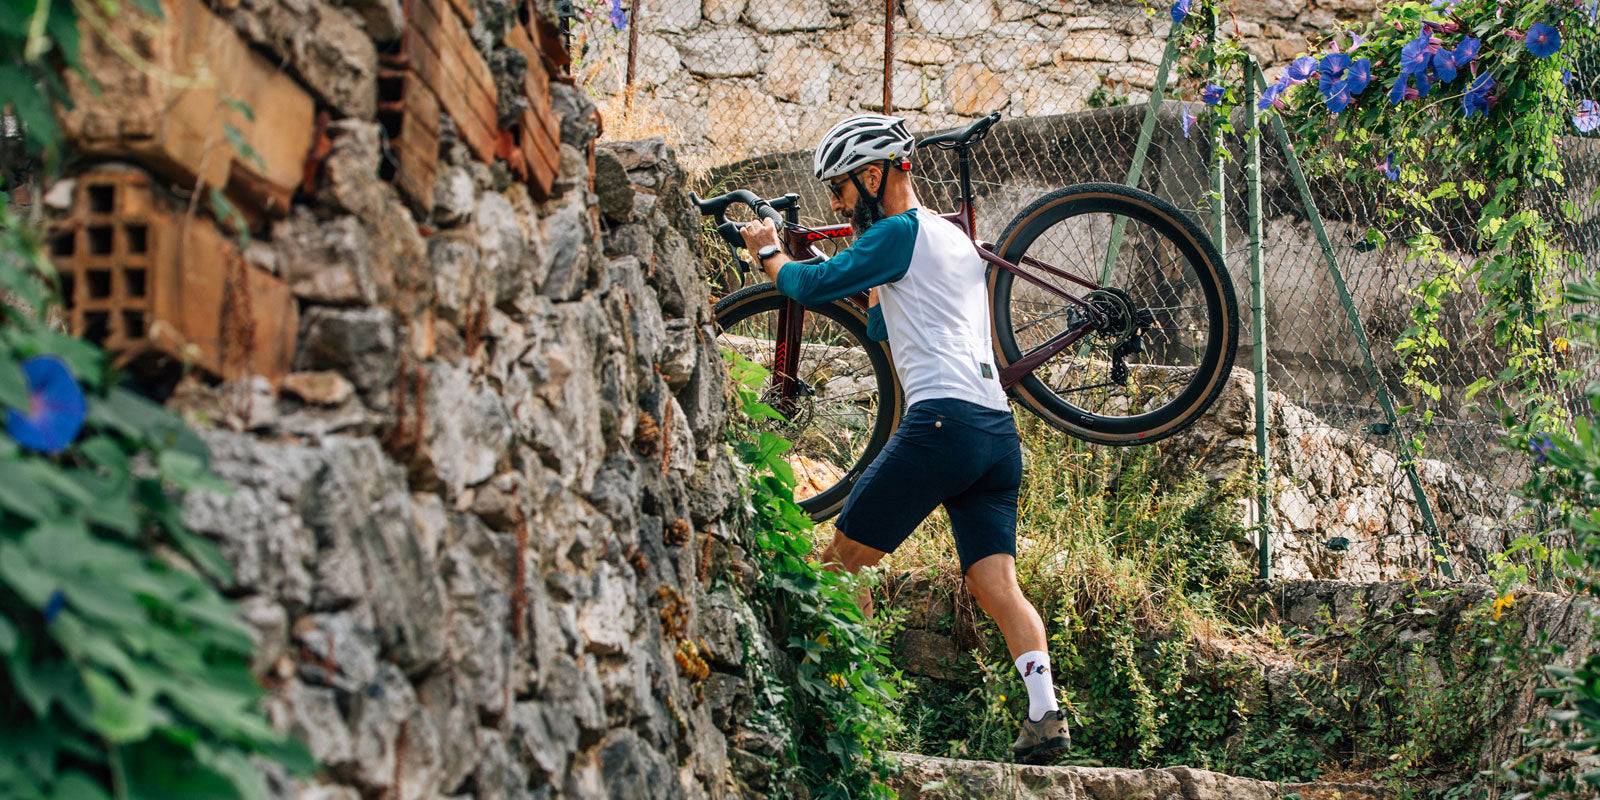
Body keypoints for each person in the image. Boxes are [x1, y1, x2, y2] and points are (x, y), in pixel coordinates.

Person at [736, 114, 1071, 764]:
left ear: (872, 174)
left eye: (838, 187)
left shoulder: (897, 230)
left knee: (838, 566)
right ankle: (1046, 713)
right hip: (997, 436)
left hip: (943, 424)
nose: (834, 202)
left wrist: (768, 249)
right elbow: (885, 325)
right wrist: (831, 273)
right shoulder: (949, 237)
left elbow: (803, 287)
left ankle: (854, 718)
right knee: (995, 584)